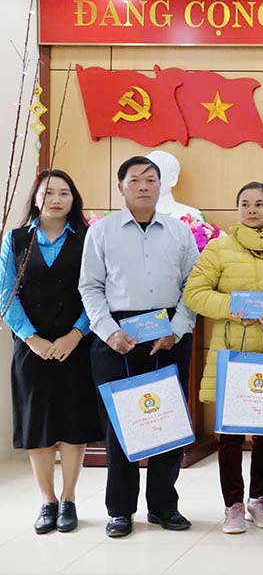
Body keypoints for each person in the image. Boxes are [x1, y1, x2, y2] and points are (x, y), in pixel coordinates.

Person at [79, 155, 200, 539]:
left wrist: (177, 329)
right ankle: (120, 510)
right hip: (117, 337)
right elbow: (90, 287)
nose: (145, 185)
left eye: (151, 179)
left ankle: (164, 506)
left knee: (167, 422)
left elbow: (193, 287)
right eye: (136, 180)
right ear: (121, 187)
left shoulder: (179, 232)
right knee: (120, 427)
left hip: (167, 333)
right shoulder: (102, 232)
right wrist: (108, 331)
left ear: (160, 185)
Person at [183, 181, 263, 534]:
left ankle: (259, 501)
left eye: (259, 203)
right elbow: (195, 293)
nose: (252, 209)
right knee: (230, 436)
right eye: (246, 203)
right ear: (238, 209)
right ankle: (233, 505)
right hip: (232, 356)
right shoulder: (218, 250)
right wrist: (232, 307)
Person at [0, 170, 101, 534]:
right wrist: (30, 338)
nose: (56, 199)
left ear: (74, 199)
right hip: (32, 348)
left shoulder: (89, 238)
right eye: (49, 192)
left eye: (64, 192)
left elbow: (99, 290)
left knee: (74, 423)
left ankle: (69, 497)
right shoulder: (15, 241)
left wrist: (77, 333)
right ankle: (47, 500)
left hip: (77, 344)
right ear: (36, 198)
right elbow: (5, 294)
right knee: (37, 423)